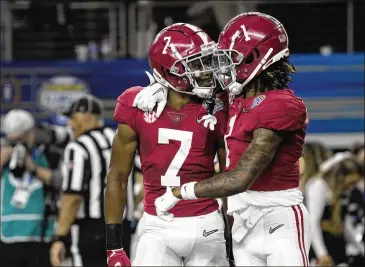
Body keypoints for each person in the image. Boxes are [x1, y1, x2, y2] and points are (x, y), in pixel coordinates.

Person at [136, 12, 311, 266]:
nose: (224, 66)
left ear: (253, 57)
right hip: (243, 222)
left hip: (279, 221)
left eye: (231, 58)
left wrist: (180, 192)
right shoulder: (236, 97)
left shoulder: (282, 104)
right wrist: (161, 85)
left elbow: (240, 178)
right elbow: (190, 86)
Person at [105, 23, 229, 266]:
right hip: (157, 226)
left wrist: (234, 240)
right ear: (170, 70)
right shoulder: (139, 104)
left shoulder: (220, 104)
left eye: (207, 61)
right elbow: (117, 176)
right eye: (196, 64)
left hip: (206, 223)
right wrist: (113, 246)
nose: (206, 71)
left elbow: (230, 181)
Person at [49, 95, 115, 267]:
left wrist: (60, 238)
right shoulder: (117, 139)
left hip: (90, 229)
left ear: (87, 116)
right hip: (121, 229)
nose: (70, 124)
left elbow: (72, 197)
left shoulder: (77, 147)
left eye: (73, 117)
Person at [0, 109, 61, 267]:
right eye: (13, 140)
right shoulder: (3, 152)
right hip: (8, 233)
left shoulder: (48, 153)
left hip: (42, 233)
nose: (17, 144)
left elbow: (61, 182)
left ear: (31, 133)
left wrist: (33, 167)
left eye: (21, 139)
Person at [305, 152, 362, 266]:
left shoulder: (341, 190)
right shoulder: (318, 186)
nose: (352, 186)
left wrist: (360, 248)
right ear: (341, 176)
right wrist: (322, 254)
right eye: (351, 182)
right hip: (320, 251)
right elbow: (312, 223)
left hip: (337, 250)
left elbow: (344, 225)